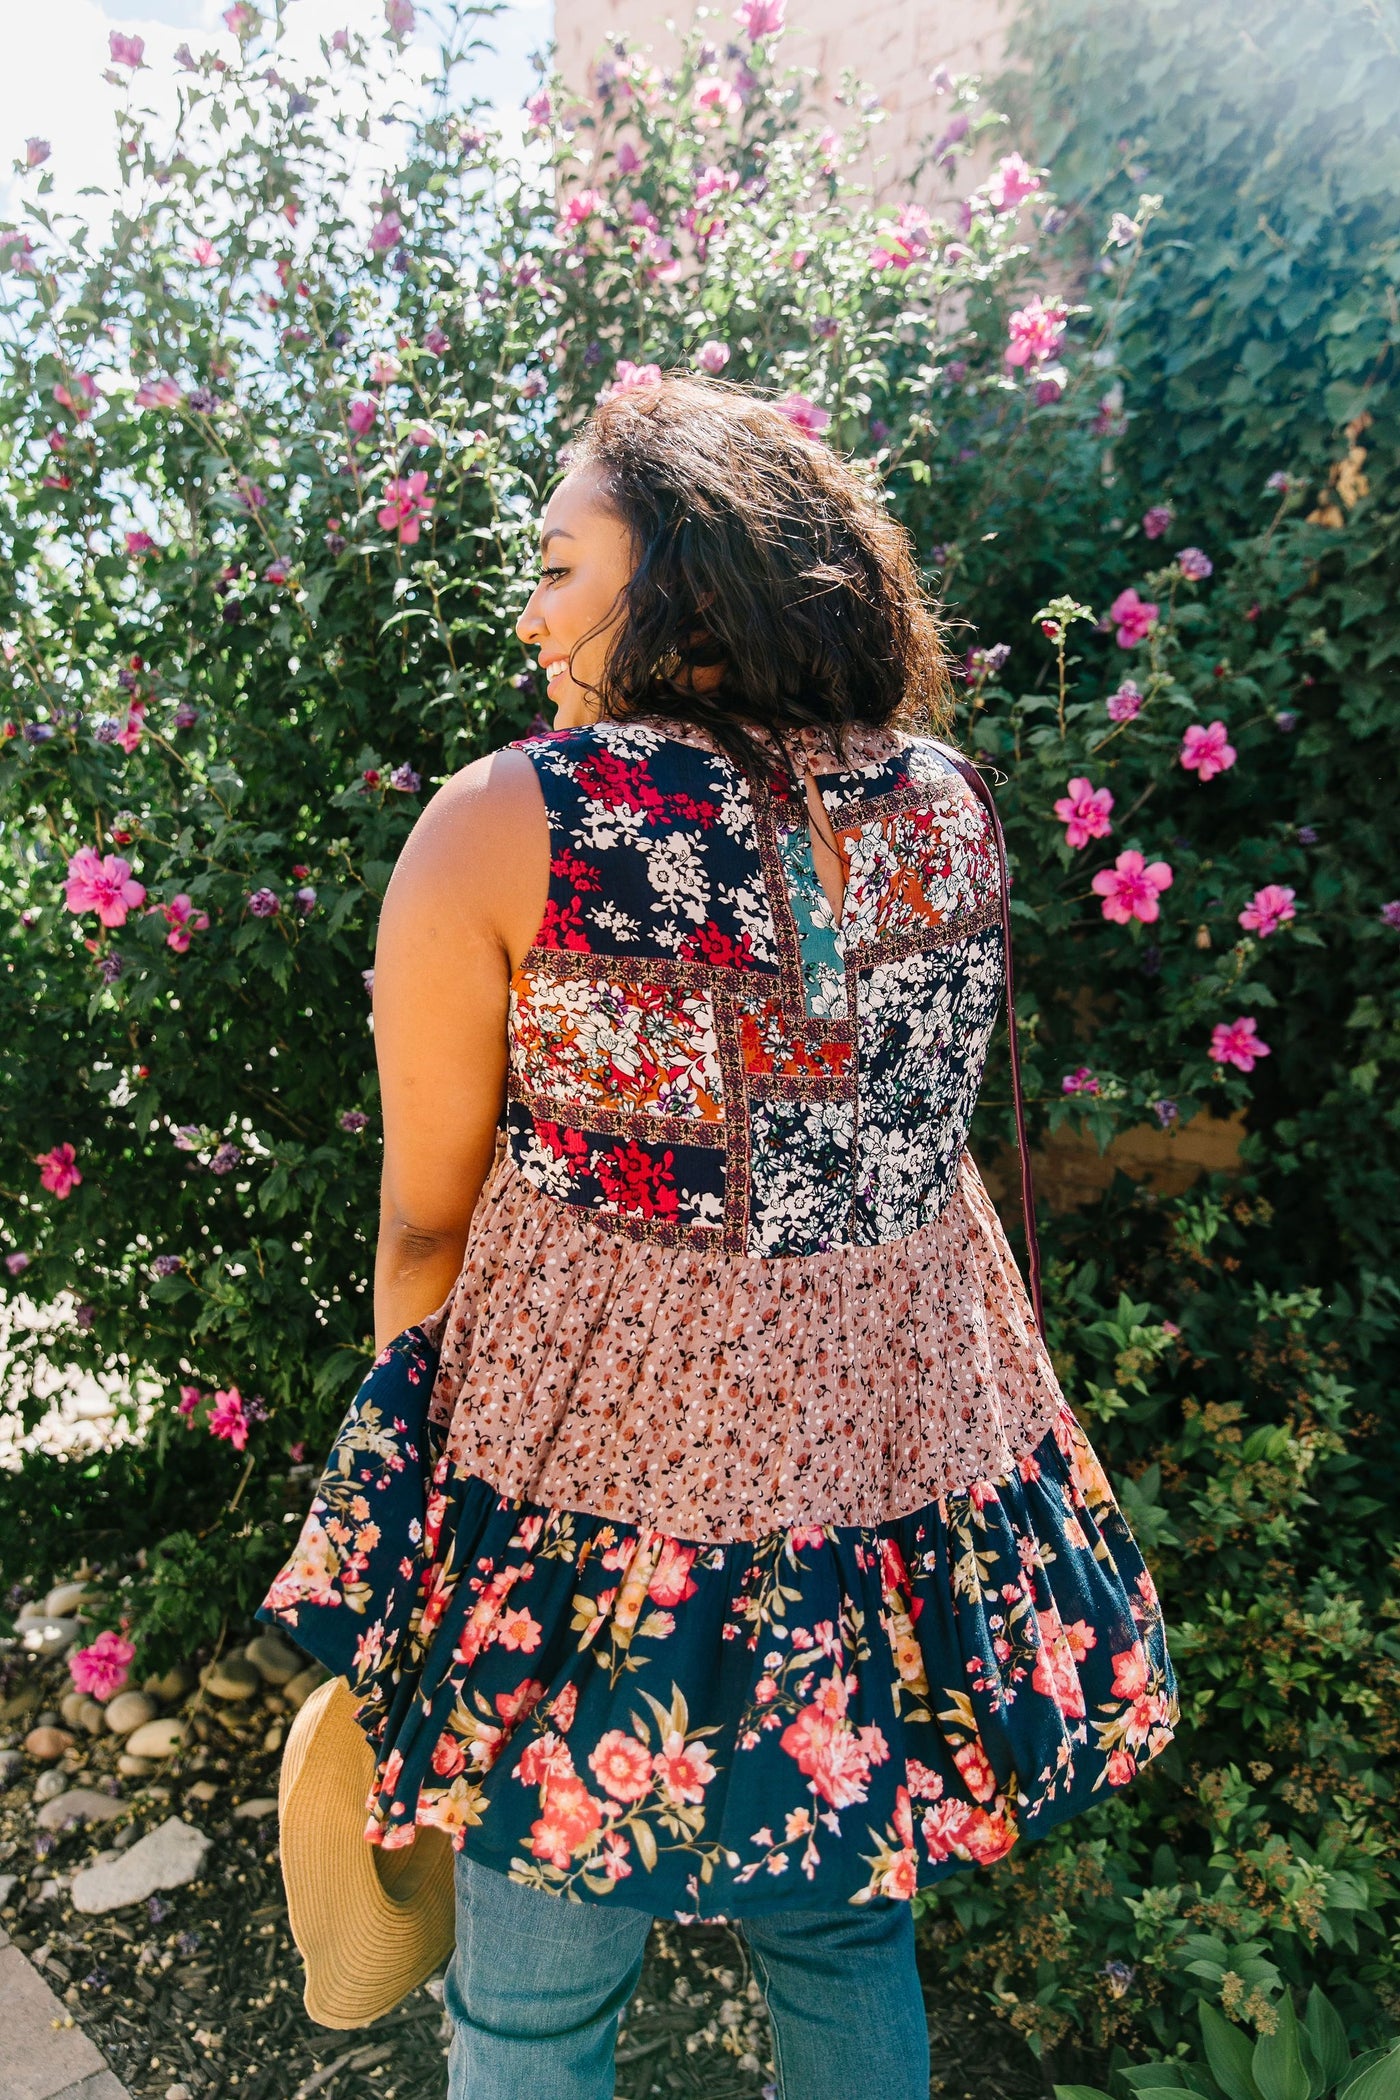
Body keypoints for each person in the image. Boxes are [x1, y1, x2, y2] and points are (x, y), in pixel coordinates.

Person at [263, 376, 1176, 2099]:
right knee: (843, 1939)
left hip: (581, 1508)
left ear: (678, 569)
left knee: (533, 1990)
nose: (529, 613)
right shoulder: (951, 807)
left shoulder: (508, 822)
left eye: (556, 562)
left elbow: (423, 1227)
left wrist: (410, 1505)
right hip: (879, 1481)